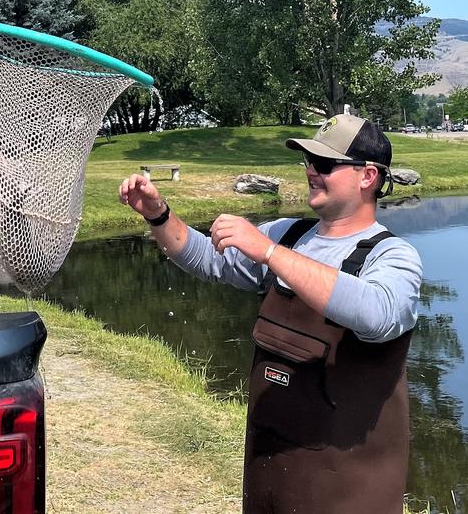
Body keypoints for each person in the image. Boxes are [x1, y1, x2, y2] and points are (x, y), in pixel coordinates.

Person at [119, 113, 423, 513]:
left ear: (368, 177)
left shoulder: (392, 256)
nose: (312, 172)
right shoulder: (289, 234)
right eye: (309, 162)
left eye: (325, 164)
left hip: (348, 491)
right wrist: (158, 214)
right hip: (269, 473)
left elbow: (379, 314)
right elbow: (208, 259)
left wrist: (267, 252)